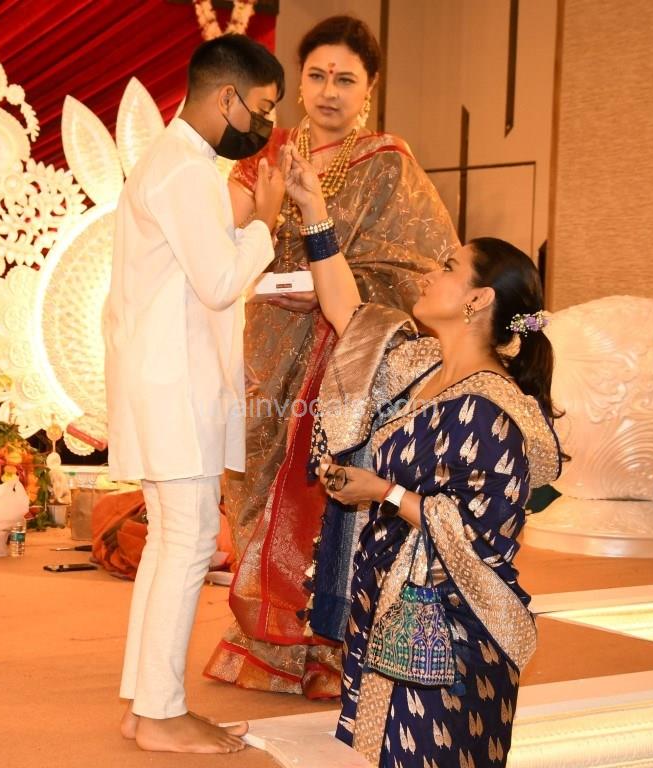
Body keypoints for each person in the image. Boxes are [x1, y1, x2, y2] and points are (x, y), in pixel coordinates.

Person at [279, 142, 562, 767]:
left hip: (451, 629)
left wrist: (382, 492)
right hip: (388, 599)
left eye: (449, 267)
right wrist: (313, 209)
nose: (430, 274)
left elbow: (479, 537)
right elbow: (348, 314)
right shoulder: (418, 365)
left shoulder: (493, 411)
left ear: (478, 300)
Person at [205, 15, 459, 699]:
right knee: (255, 484)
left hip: (342, 353)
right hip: (266, 342)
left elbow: (417, 268)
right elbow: (218, 233)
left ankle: (325, 648)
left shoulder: (387, 162)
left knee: (324, 492)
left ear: (368, 89)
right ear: (298, 83)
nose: (328, 91)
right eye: (316, 76)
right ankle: (266, 638)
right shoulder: (268, 151)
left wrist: (332, 279)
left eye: (345, 79)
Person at [104, 34, 285, 754]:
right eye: (262, 108)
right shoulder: (184, 170)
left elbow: (197, 267)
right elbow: (218, 283)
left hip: (164, 377)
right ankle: (160, 714)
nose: (265, 123)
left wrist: (240, 224)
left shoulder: (178, 163)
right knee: (186, 544)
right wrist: (265, 221)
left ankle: (143, 705)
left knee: (169, 543)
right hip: (174, 383)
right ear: (226, 97)